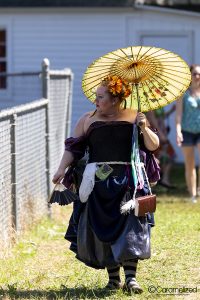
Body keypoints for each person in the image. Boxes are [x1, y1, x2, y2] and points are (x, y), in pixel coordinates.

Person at [53, 75, 160, 293]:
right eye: (96, 96)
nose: (96, 101)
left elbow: (153, 146)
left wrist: (144, 127)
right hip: (98, 181)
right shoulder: (87, 119)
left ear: (115, 99)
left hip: (130, 180)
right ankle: (113, 280)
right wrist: (61, 169)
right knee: (101, 225)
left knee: (132, 225)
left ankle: (131, 279)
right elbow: (73, 149)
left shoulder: (135, 117)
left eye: (100, 97)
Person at [176, 64, 200, 203]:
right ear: (190, 76)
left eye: (199, 74)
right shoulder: (183, 94)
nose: (197, 76)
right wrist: (178, 132)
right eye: (195, 74)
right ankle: (192, 195)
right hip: (187, 131)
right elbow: (178, 115)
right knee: (190, 164)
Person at [146, 106, 176, 189]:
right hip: (154, 133)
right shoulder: (150, 105)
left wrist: (171, 111)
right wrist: (161, 134)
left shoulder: (159, 104)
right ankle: (155, 181)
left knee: (169, 156)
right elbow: (152, 120)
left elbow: (161, 117)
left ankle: (163, 180)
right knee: (157, 158)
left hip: (160, 133)